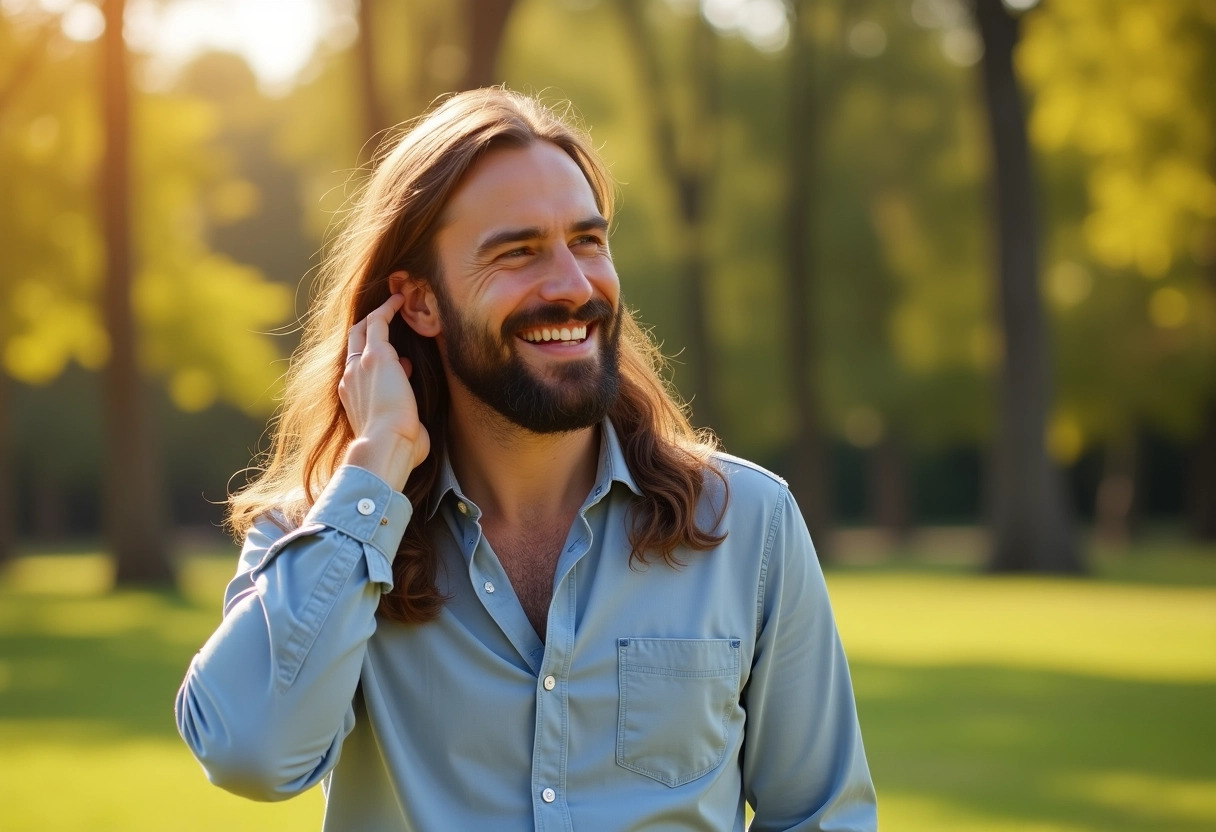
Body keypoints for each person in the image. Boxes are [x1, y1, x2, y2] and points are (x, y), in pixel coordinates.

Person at [176, 87, 876, 831]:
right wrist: (375, 468)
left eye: (587, 242)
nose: (573, 287)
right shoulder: (323, 533)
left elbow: (820, 817)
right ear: (418, 304)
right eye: (517, 252)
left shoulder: (747, 525)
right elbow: (249, 754)